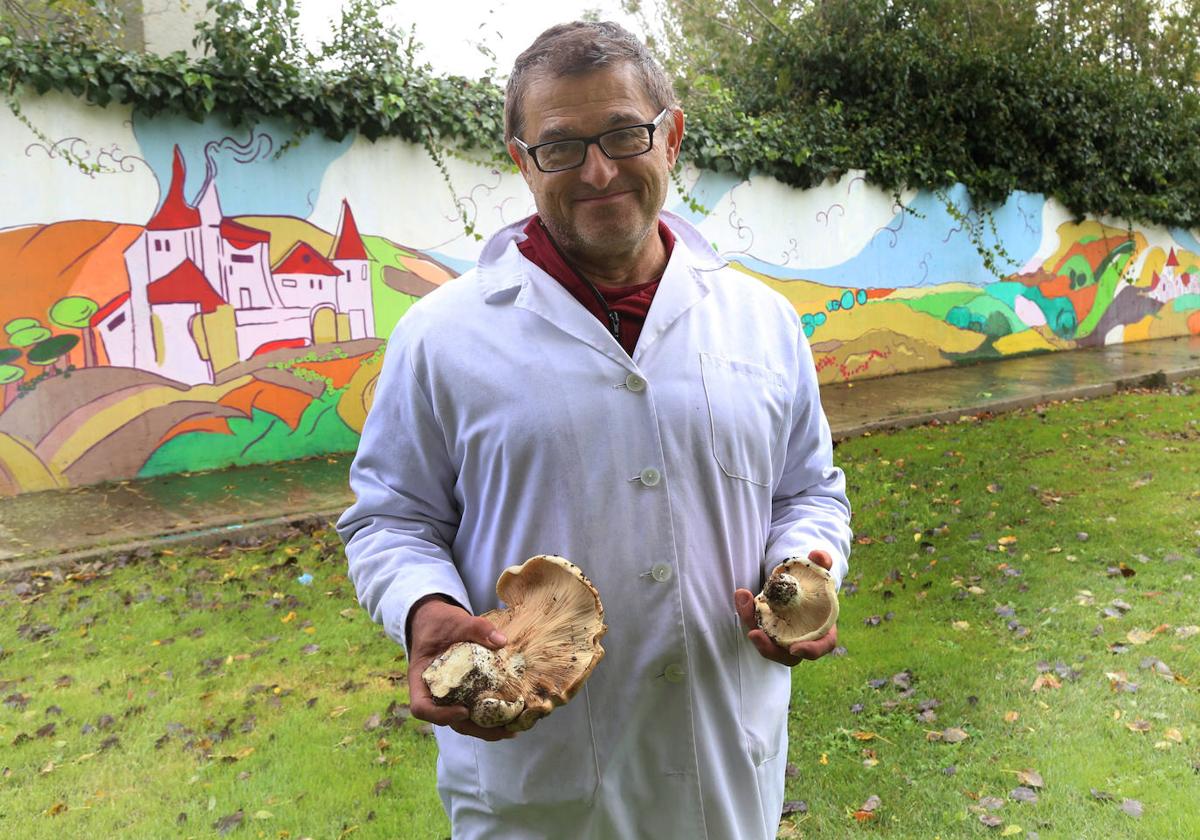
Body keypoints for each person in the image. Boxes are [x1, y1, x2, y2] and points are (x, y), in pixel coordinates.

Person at [337, 20, 852, 840]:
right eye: (561, 147)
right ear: (521, 159)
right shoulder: (442, 337)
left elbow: (807, 490)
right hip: (540, 784)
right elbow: (389, 517)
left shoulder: (763, 322)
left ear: (672, 134)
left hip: (725, 764)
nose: (599, 169)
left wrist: (809, 564)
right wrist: (422, 606)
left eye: (623, 134)